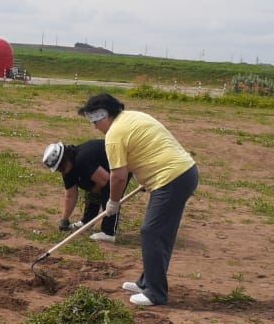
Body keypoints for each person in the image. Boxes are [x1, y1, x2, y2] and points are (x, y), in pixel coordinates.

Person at [78, 93, 198, 307]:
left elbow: (118, 176)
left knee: (151, 232)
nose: (95, 127)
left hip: (172, 178)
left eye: (95, 121)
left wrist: (113, 202)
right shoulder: (133, 117)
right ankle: (146, 282)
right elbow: (144, 150)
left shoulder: (114, 134)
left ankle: (156, 293)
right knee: (160, 233)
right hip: (183, 172)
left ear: (105, 116)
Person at [42, 139, 121, 243]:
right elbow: (70, 195)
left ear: (65, 157)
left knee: (109, 191)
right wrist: (64, 219)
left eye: (60, 167)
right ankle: (87, 221)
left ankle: (108, 232)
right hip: (103, 173)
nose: (61, 170)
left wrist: (94, 190)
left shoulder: (82, 159)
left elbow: (106, 181)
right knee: (90, 186)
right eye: (58, 169)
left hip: (120, 163)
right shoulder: (67, 170)